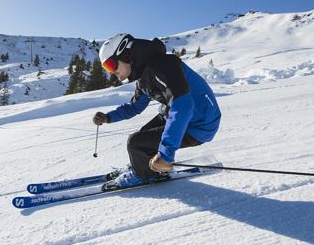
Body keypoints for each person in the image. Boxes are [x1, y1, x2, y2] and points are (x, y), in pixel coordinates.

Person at [93, 33, 221, 185]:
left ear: (126, 54)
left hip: (200, 124)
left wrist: (166, 155)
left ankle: (143, 175)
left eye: (111, 65)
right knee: (142, 138)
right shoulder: (143, 77)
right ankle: (143, 165)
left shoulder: (163, 66)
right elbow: (134, 107)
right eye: (106, 68)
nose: (111, 72)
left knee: (135, 142)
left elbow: (183, 106)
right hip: (184, 116)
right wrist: (108, 117)